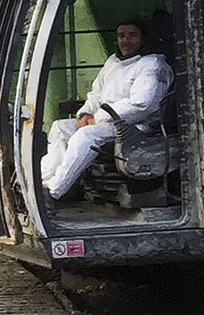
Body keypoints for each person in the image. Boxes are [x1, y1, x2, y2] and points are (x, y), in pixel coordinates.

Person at [41, 19, 173, 199]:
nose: (126, 40)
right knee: (59, 127)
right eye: (121, 36)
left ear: (143, 38)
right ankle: (45, 180)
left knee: (85, 136)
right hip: (105, 122)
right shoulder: (113, 62)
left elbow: (143, 104)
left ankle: (54, 191)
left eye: (132, 35)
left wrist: (98, 118)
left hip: (135, 127)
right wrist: (86, 114)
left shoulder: (153, 64)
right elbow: (96, 93)